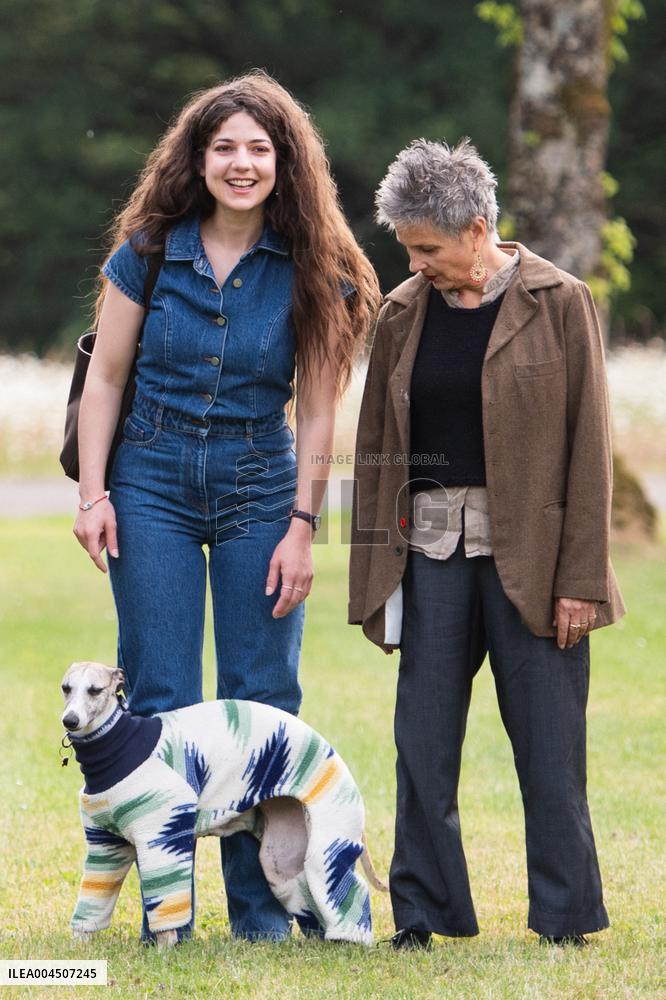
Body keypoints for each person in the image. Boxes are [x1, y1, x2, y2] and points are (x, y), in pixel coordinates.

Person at [73, 70, 380, 943]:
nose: (241, 164)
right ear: (196, 159)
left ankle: (263, 917)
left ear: (285, 162)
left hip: (261, 485)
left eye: (258, 148)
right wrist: (94, 493)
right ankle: (167, 923)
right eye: (224, 149)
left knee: (264, 700)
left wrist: (303, 525)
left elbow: (318, 410)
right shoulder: (147, 249)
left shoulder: (317, 269)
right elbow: (105, 376)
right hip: (150, 480)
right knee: (162, 698)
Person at [348, 138, 625, 950]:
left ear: (477, 230)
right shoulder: (402, 312)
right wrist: (376, 582)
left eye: (427, 248)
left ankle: (567, 917)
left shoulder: (562, 300)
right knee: (422, 747)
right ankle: (423, 913)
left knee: (549, 746)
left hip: (537, 567)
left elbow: (589, 449)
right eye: (407, 249)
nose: (417, 264)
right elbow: (378, 455)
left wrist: (582, 579)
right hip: (429, 558)